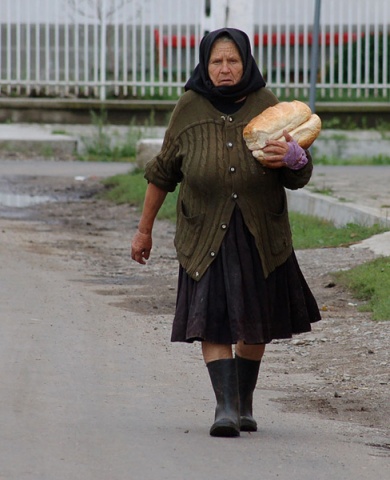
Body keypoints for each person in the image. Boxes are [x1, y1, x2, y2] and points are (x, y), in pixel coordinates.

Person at [131, 27, 321, 437]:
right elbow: (161, 174)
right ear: (204, 65)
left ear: (246, 62)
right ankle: (225, 406)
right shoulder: (188, 108)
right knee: (213, 318)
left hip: (260, 233)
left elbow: (299, 176)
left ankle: (244, 401)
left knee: (256, 321)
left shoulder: (268, 105)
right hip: (204, 234)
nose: (224, 69)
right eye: (216, 61)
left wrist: (293, 156)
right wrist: (143, 232)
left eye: (232, 60)